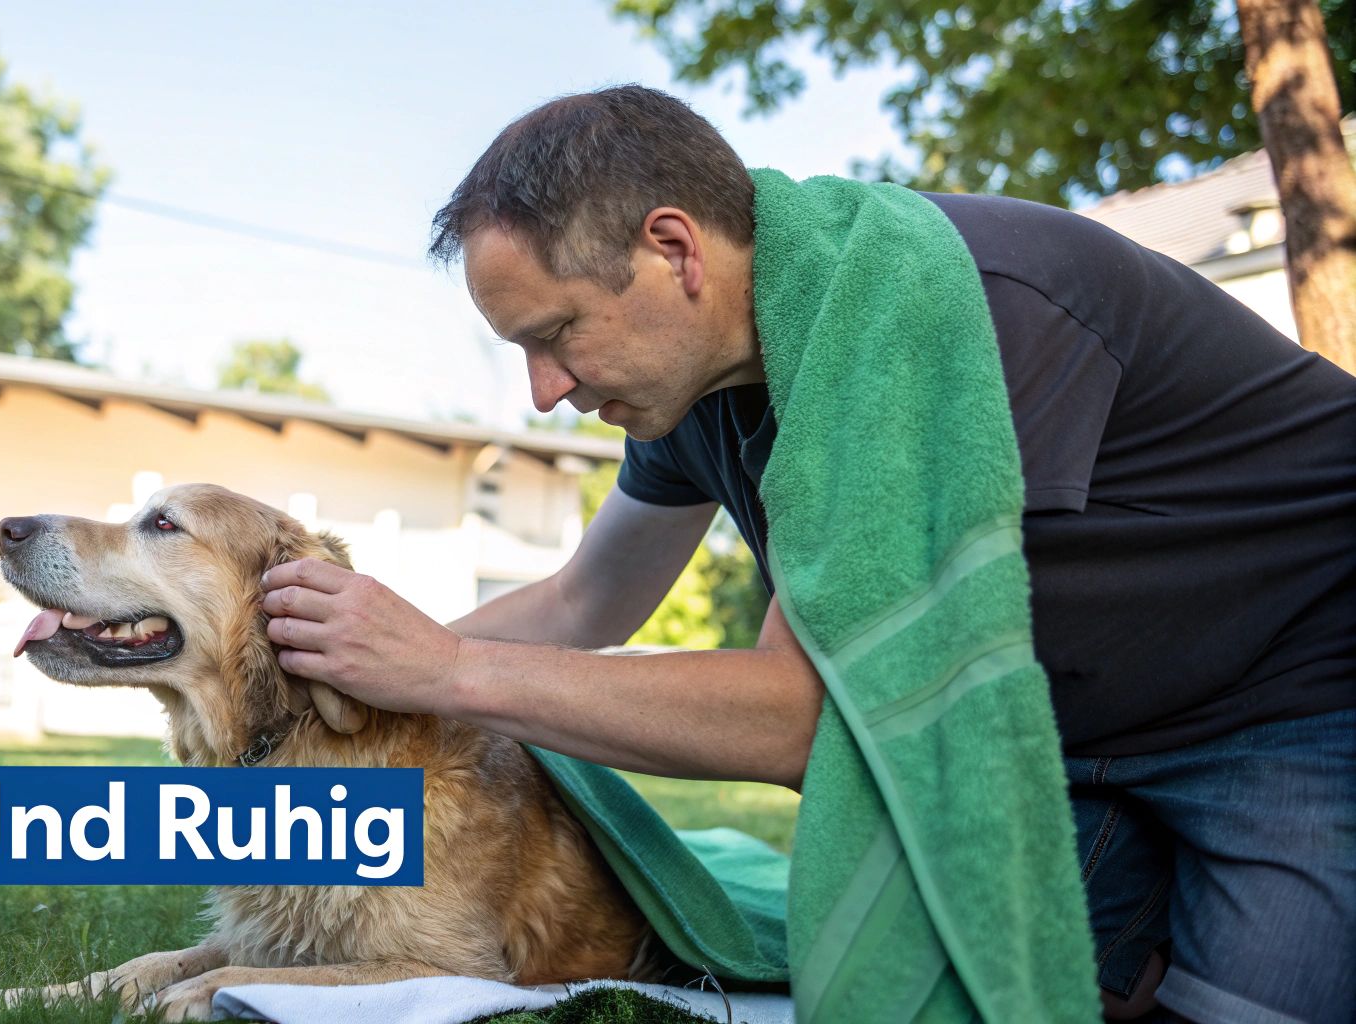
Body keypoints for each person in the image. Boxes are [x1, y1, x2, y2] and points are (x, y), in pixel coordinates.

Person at [260, 86, 1355, 1022]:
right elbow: (584, 600)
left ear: (673, 249)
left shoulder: (938, 316)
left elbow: (804, 716)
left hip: (1294, 694)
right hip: (1080, 731)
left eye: (555, 334)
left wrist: (446, 673)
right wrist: (361, 666)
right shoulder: (686, 392)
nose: (546, 390)